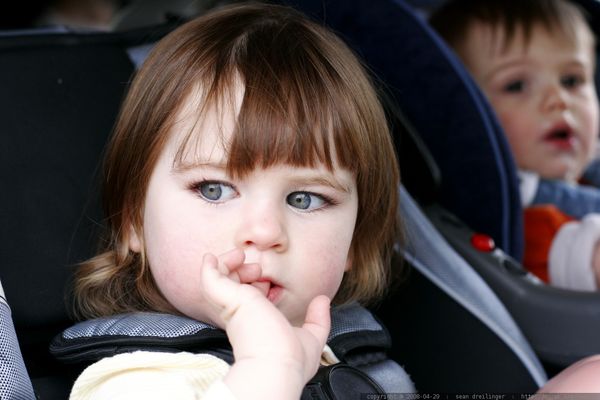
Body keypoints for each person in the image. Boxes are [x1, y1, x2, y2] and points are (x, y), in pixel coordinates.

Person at [60, 2, 406, 398]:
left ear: (355, 241)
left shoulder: (364, 367)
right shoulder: (134, 382)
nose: (263, 231)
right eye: (214, 190)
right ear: (134, 220)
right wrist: (269, 373)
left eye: (305, 198)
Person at [429, 0, 600, 291]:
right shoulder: (532, 225)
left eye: (572, 80)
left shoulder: (586, 179)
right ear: (470, 119)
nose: (558, 99)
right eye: (517, 86)